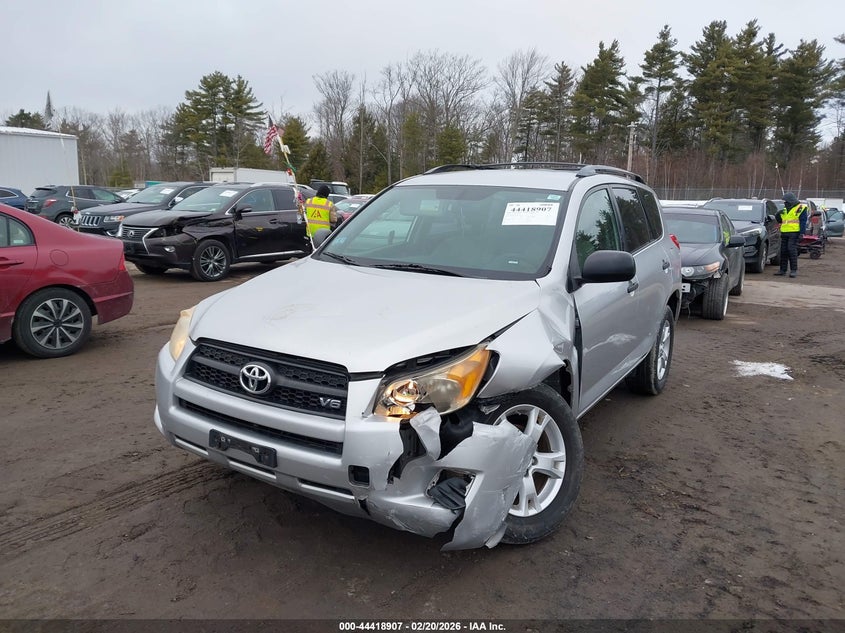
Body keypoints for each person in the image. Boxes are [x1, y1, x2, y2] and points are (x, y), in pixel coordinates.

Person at [774, 192, 808, 278]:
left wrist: (802, 233)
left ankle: (793, 270)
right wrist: (778, 215)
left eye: (786, 201)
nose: (785, 203)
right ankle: (782, 270)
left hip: (794, 233)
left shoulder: (801, 208)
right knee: (783, 251)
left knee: (791, 250)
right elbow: (779, 218)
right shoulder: (785, 210)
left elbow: (803, 221)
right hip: (784, 232)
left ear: (791, 201)